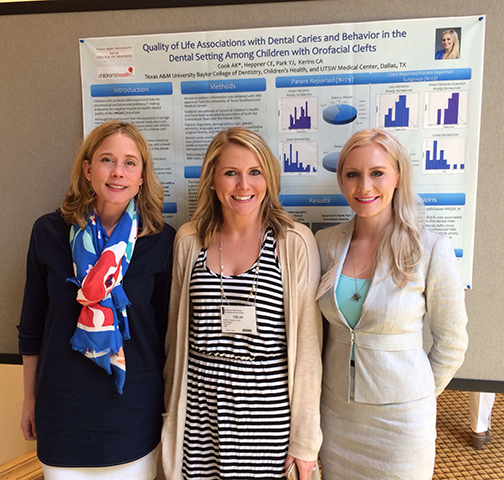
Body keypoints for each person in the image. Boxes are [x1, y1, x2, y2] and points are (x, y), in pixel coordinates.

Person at [162, 127, 322, 480]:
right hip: (199, 413)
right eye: (230, 173)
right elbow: (175, 339)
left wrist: (306, 440)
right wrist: (170, 413)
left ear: (269, 178)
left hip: (267, 417)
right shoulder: (190, 241)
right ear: (212, 179)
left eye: (255, 172)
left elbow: (309, 349)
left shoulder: (293, 242)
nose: (243, 186)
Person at [18, 121, 176, 479]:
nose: (118, 172)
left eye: (130, 163)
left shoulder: (161, 240)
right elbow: (32, 325)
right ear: (88, 169)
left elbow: (166, 335)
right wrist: (28, 400)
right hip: (61, 411)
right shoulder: (48, 232)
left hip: (133, 411)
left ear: (142, 176)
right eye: (107, 160)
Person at [315, 128, 468, 479]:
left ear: (398, 176)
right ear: (341, 180)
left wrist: (417, 397)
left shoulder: (430, 250)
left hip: (401, 422)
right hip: (336, 412)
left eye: (377, 173)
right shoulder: (324, 243)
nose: (364, 187)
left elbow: (452, 342)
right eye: (352, 175)